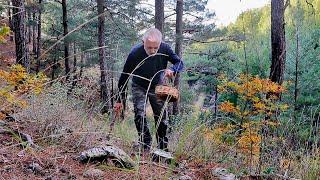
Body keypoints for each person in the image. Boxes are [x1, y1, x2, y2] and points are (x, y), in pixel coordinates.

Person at [114, 28, 184, 152]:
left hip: (157, 86)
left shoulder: (165, 48)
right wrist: (120, 99)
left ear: (160, 43)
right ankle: (145, 144)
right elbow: (124, 76)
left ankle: (162, 147)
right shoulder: (135, 53)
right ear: (143, 42)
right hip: (139, 86)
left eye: (155, 48)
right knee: (139, 114)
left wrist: (172, 69)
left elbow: (179, 62)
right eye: (149, 47)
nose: (152, 51)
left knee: (161, 117)